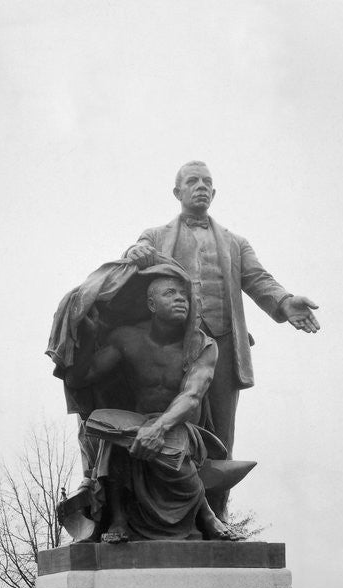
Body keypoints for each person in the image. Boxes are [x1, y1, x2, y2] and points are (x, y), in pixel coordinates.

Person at [124, 161, 320, 518]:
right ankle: (171, 517)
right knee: (179, 427)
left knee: (221, 440)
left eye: (207, 183)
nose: (201, 187)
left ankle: (217, 518)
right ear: (177, 192)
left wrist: (285, 302)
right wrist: (133, 253)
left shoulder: (235, 243)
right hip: (174, 348)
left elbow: (260, 280)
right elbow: (132, 261)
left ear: (214, 194)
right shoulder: (155, 236)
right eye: (192, 181)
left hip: (226, 349)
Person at [63, 271, 236, 542]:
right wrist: (89, 335)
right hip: (135, 423)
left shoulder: (202, 344)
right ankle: (119, 519)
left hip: (180, 425)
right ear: (151, 305)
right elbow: (79, 379)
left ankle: (205, 514)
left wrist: (158, 427)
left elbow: (192, 396)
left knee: (175, 450)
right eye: (170, 293)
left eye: (184, 296)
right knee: (112, 441)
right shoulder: (127, 338)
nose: (180, 299)